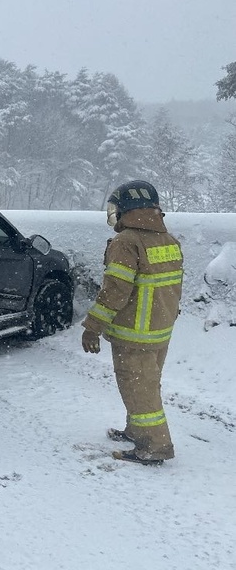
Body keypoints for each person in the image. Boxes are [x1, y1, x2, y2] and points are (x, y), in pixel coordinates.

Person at [82, 180, 183, 466]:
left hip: (134, 334)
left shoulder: (126, 242)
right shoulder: (168, 240)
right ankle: (137, 431)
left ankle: (155, 447)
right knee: (145, 386)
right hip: (158, 332)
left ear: (125, 209)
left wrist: (93, 326)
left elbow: (115, 289)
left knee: (139, 389)